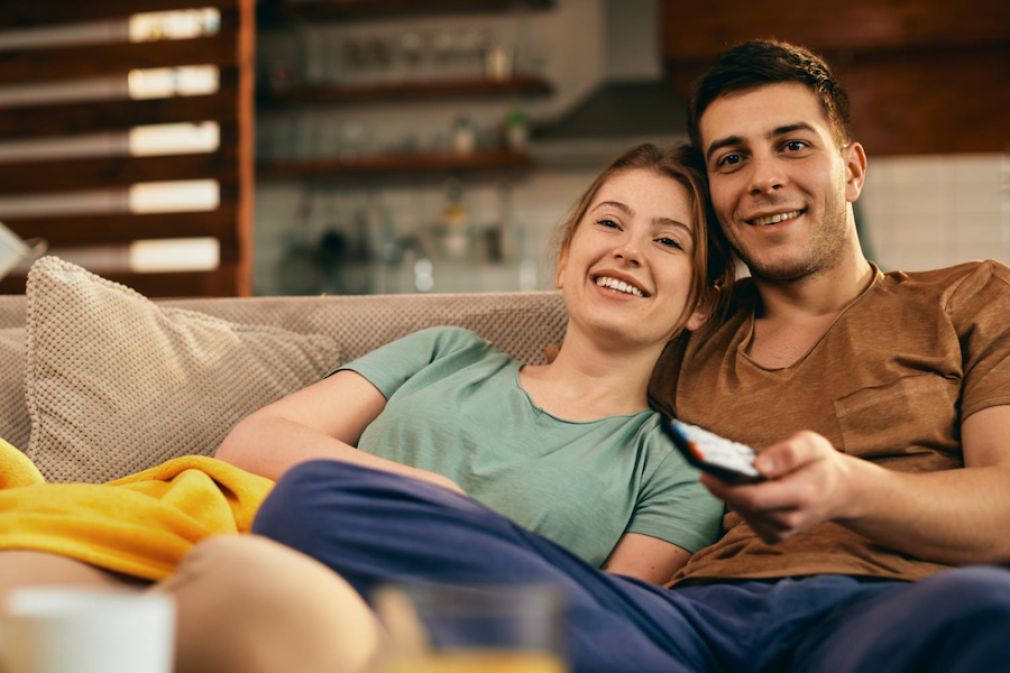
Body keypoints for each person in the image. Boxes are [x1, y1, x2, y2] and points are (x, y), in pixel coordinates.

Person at [251, 39, 1010, 673]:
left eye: (793, 145)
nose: (765, 176)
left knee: (987, 609)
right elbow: (582, 362)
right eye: (731, 158)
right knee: (318, 500)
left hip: (877, 615)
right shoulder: (684, 325)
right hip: (677, 628)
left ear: (851, 168)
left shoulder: (967, 299)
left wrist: (851, 488)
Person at [0, 143, 732, 673]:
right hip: (202, 530)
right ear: (566, 257)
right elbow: (254, 442)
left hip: (377, 624)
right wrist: (429, 494)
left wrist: (437, 533)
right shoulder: (450, 351)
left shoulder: (673, 463)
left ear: (700, 302)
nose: (630, 250)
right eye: (610, 224)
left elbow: (601, 623)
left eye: (668, 240)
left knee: (257, 596)